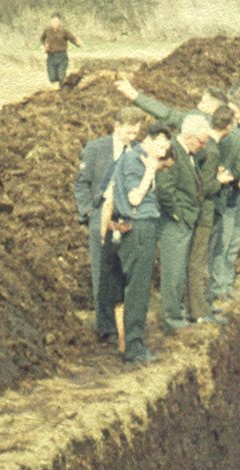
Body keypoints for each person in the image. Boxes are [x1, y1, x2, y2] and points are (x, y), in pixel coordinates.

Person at [72, 107, 147, 350]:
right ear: (116, 127)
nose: (132, 136)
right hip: (101, 214)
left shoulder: (138, 151)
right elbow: (81, 184)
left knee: (125, 269)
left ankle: (127, 325)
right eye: (128, 131)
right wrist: (88, 212)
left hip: (128, 216)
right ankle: (106, 328)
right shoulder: (96, 148)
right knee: (102, 271)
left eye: (136, 132)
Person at [115, 124, 172, 364]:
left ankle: (134, 344)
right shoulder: (134, 161)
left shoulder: (140, 159)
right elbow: (134, 198)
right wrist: (150, 171)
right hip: (139, 226)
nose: (162, 150)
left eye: (165, 146)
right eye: (158, 144)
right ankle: (134, 350)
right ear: (146, 140)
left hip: (143, 225)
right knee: (137, 289)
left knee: (138, 287)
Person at [156, 115, 213, 331]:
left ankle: (178, 314)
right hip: (174, 222)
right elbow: (164, 189)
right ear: (188, 136)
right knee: (173, 272)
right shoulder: (174, 153)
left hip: (185, 220)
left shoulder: (188, 153)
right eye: (201, 141)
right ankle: (172, 319)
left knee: (179, 270)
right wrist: (177, 214)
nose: (203, 147)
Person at [186, 107, 235, 325]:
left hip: (204, 213)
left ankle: (202, 305)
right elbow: (204, 187)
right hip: (205, 214)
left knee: (201, 260)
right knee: (199, 262)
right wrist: (221, 181)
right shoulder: (213, 151)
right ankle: (198, 311)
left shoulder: (209, 149)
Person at [208, 86, 240, 301]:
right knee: (223, 243)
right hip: (227, 196)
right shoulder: (229, 134)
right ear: (234, 108)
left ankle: (226, 284)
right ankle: (219, 287)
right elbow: (226, 165)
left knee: (233, 242)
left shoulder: (238, 132)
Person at [115, 79, 227, 131]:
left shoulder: (199, 118)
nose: (198, 104)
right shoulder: (229, 125)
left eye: (203, 102)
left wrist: (135, 95)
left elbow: (168, 114)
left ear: (214, 106)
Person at [40, 13, 82, 86]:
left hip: (62, 56)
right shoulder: (47, 30)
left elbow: (72, 38)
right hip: (51, 56)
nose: (54, 23)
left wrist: (78, 43)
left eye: (56, 22)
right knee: (52, 78)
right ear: (50, 22)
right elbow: (42, 38)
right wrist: (43, 46)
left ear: (59, 22)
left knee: (61, 77)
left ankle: (64, 88)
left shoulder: (64, 31)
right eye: (53, 22)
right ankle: (64, 82)